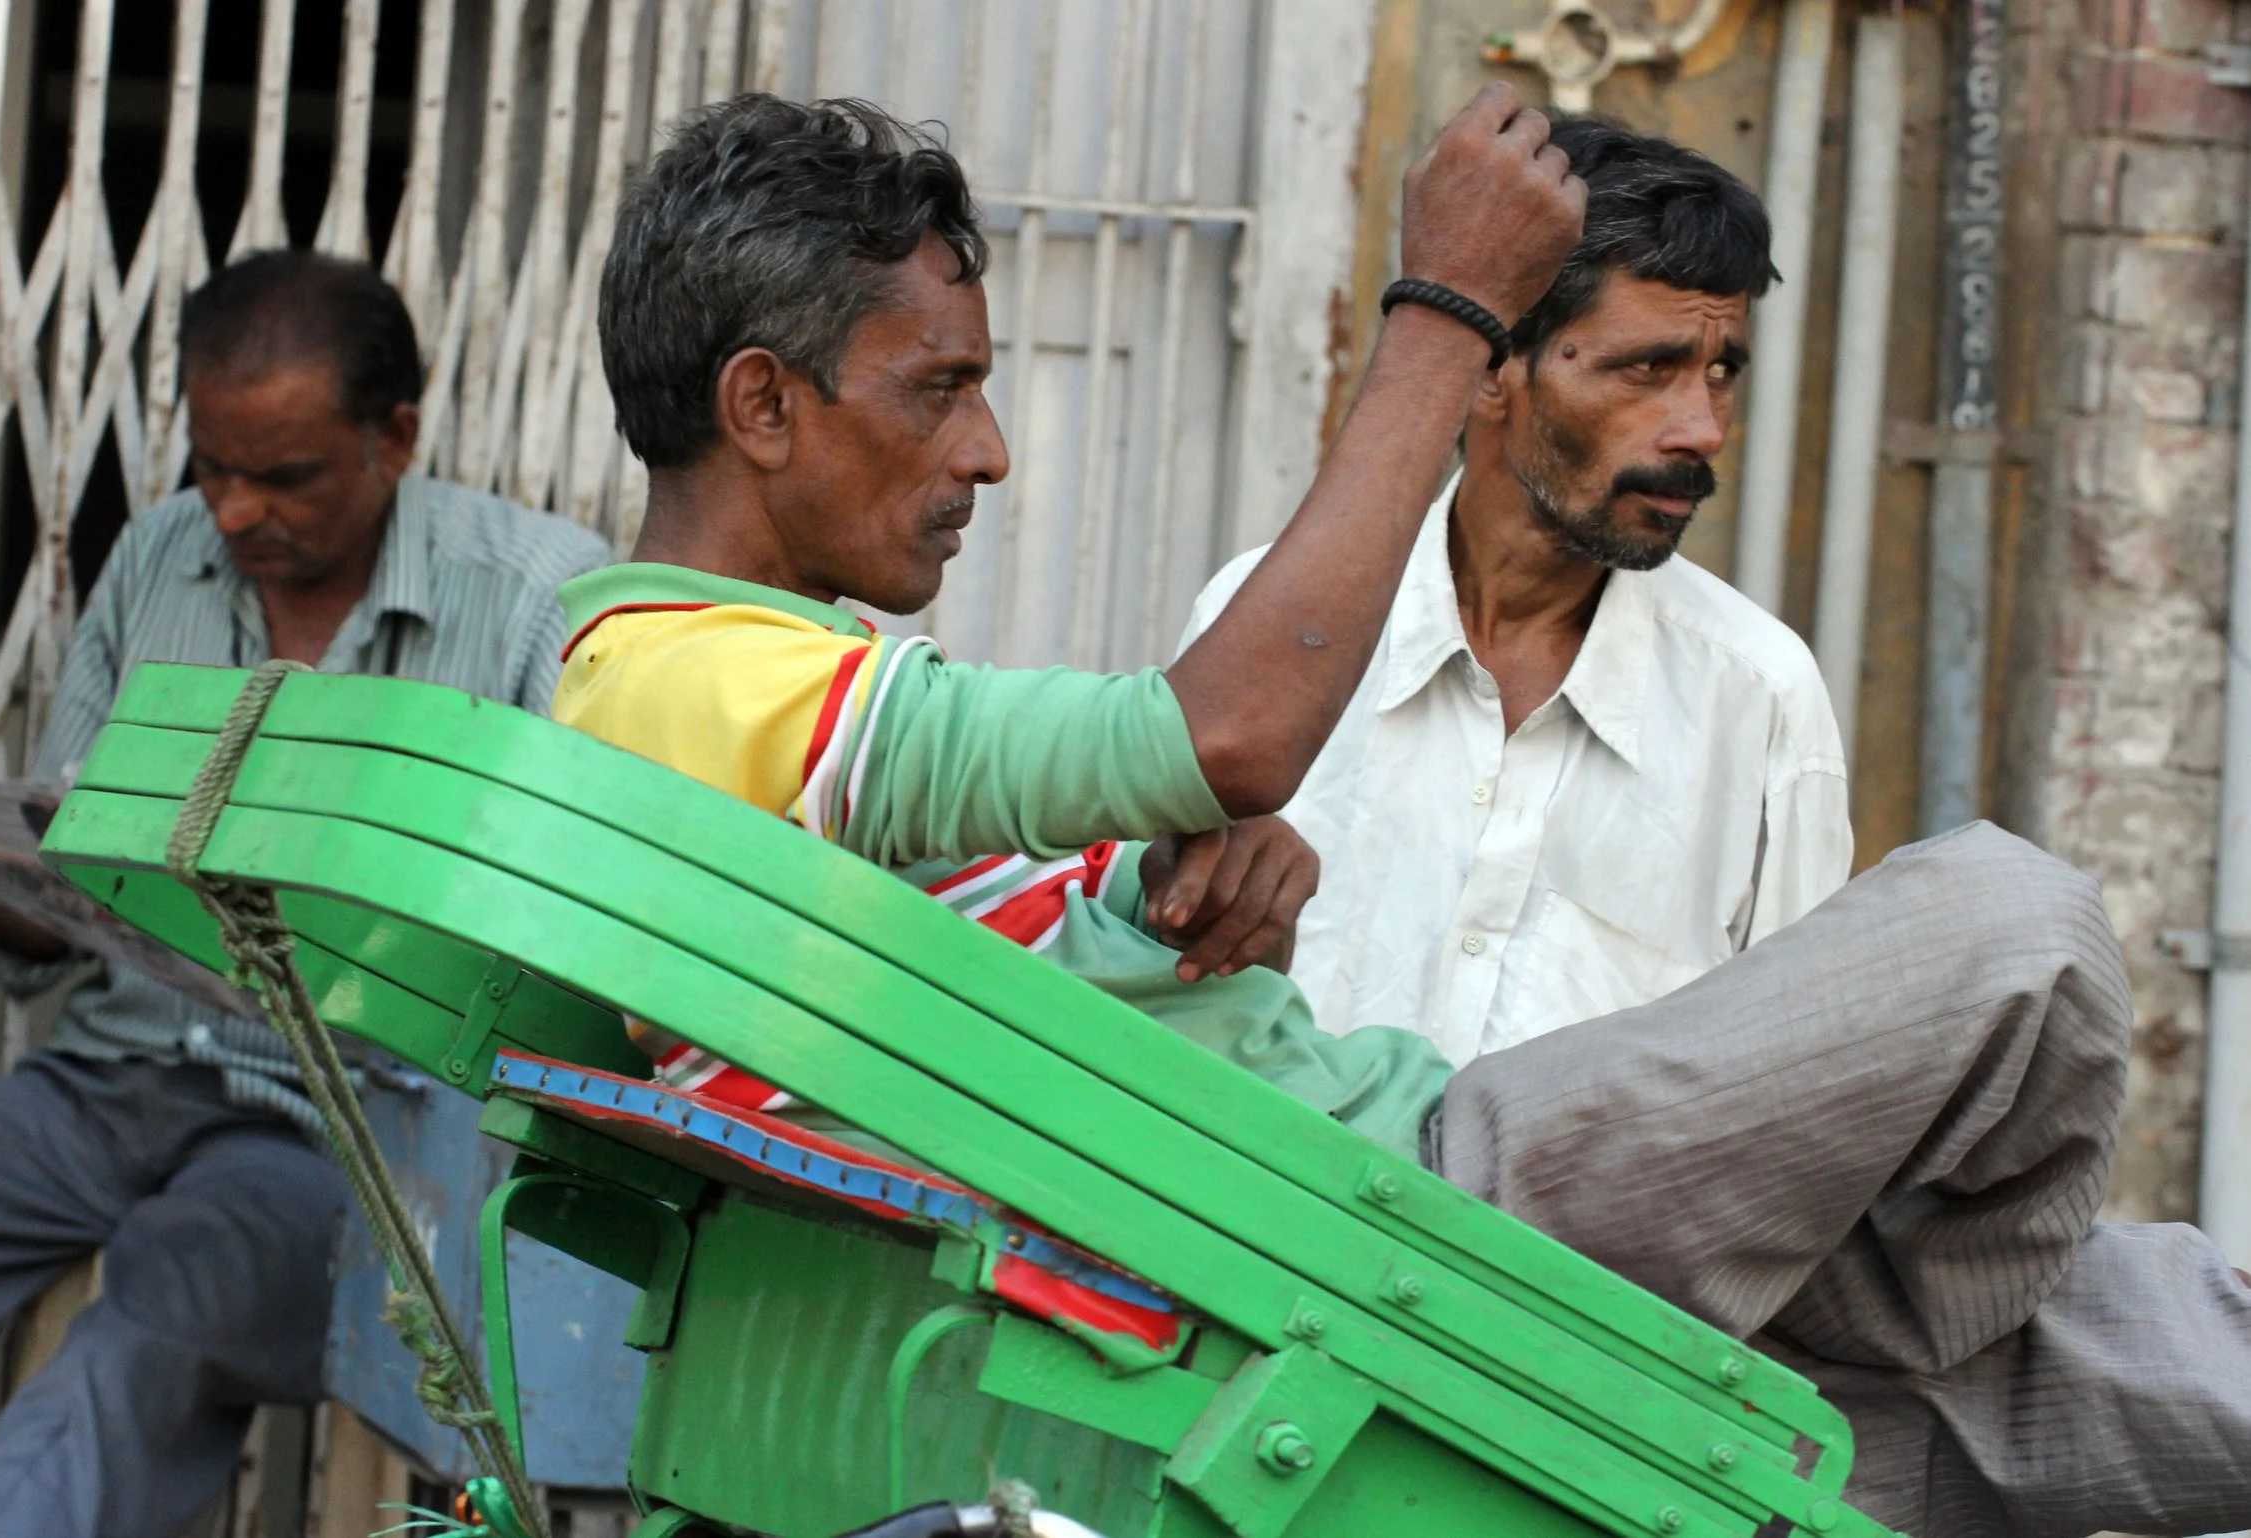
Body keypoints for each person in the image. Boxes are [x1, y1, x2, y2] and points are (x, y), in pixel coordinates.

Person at [556, 89, 2251, 1535]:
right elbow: (1229, 733)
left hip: (1461, 1216)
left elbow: (995, 989)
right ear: (765, 404)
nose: (991, 452)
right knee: (2018, 924)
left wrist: (1156, 918)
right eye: (941, 389)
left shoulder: (744, 697)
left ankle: (1876, 1295)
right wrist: (1442, 306)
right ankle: (1880, 1283)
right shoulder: (687, 683)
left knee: (2137, 1359)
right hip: (1405, 1223)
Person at [0, 251, 612, 1538]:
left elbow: (562, 915)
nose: (232, 511)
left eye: (283, 476)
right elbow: (68, 876)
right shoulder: (158, 561)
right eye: (211, 467)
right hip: (114, 1075)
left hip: (337, 1119)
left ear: (397, 438)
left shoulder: (536, 591)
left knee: (164, 1313)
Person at [1167, 120, 1850, 1066]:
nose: (1702, 429)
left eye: (1720, 372)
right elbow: (1159, 986)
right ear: (1493, 367)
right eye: (1648, 368)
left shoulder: (1760, 699)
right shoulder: (1268, 634)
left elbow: (1791, 1082)